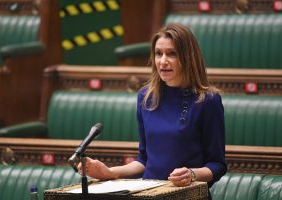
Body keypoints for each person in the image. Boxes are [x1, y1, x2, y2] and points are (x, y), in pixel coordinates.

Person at [77, 23, 226, 199]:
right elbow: (144, 161)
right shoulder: (146, 97)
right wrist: (108, 172)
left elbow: (217, 165)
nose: (163, 61)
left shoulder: (208, 101)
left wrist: (192, 175)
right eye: (158, 53)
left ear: (188, 57)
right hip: (150, 194)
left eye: (172, 54)